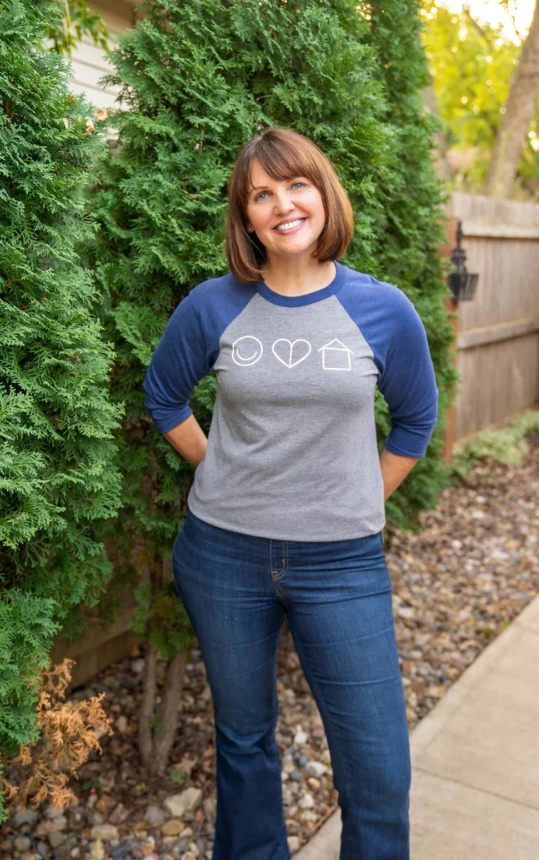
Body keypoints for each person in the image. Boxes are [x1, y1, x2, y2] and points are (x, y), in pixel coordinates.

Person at [143, 127, 439, 860]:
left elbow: (416, 420)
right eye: (261, 195)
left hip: (342, 565)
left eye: (295, 185)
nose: (282, 205)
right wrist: (219, 469)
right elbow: (163, 395)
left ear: (323, 193)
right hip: (222, 558)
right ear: (246, 220)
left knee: (377, 770)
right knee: (245, 743)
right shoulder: (215, 306)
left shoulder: (383, 309)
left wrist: (358, 497)